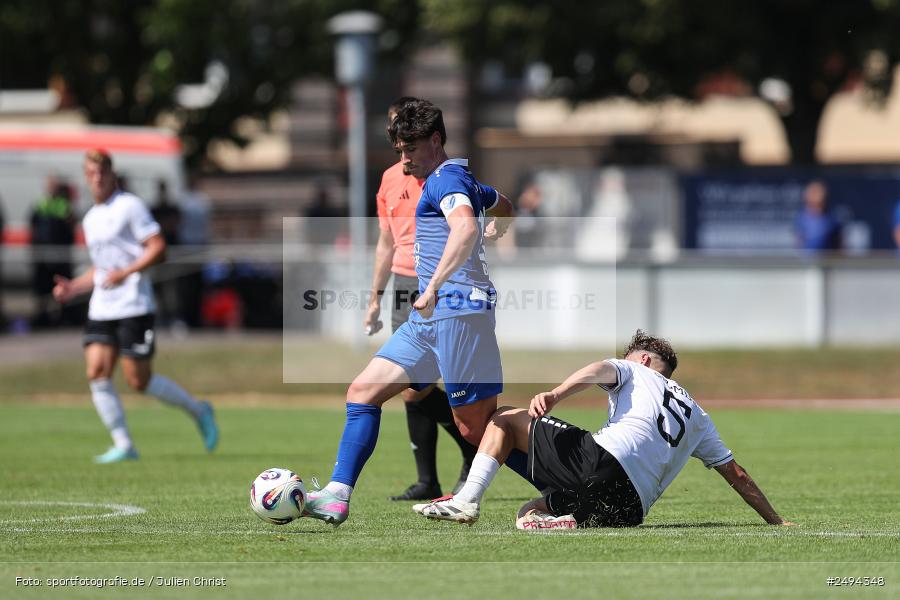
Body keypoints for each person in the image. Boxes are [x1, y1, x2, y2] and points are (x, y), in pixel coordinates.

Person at [301, 99, 524, 526]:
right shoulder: (456, 177)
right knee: (363, 392)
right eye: (399, 151)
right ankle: (336, 495)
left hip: (459, 313)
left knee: (476, 430)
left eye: (411, 150)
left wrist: (435, 285)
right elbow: (504, 204)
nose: (403, 161)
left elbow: (465, 226)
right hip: (430, 319)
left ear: (436, 140)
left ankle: (563, 486)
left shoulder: (447, 180)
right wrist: (504, 225)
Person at [414, 330, 793, 530]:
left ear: (643, 359)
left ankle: (467, 499)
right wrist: (777, 521)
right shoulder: (699, 415)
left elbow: (598, 369)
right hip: (628, 510)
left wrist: (557, 393)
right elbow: (736, 474)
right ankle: (565, 519)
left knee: (504, 419)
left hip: (601, 464)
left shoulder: (636, 368)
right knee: (528, 511)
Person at [52, 149, 219, 463]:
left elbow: (158, 248)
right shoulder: (90, 218)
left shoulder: (129, 206)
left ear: (112, 174)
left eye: (102, 172)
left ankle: (198, 410)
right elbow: (100, 267)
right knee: (96, 372)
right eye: (91, 173)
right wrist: (73, 287)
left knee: (138, 381)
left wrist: (126, 272)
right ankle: (124, 443)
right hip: (102, 307)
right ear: (86, 177)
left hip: (134, 304)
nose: (97, 178)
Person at [364, 97, 476, 501]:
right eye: (396, 135)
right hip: (403, 287)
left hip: (441, 288)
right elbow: (385, 243)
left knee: (427, 385)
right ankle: (431, 477)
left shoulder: (441, 175)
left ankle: (476, 447)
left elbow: (467, 222)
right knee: (414, 386)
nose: (400, 143)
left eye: (406, 135)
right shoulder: (390, 179)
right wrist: (375, 297)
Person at [30, 177, 76, 328]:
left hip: (60, 254)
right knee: (43, 287)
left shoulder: (63, 205)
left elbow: (70, 228)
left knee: (62, 285)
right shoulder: (41, 204)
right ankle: (43, 316)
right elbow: (33, 227)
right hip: (43, 254)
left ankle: (64, 316)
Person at [795, 180, 841, 253]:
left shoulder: (833, 220)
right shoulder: (801, 218)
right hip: (806, 261)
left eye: (817, 192)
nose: (814, 195)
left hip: (828, 261)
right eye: (812, 192)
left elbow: (839, 246)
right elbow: (799, 243)